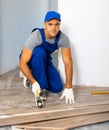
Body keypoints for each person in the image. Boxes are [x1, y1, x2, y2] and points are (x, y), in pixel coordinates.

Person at [19, 11, 75, 104]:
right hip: (29, 60)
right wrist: (34, 83)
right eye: (50, 24)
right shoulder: (36, 36)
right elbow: (22, 63)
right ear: (45, 24)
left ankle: (33, 76)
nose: (54, 28)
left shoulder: (63, 38)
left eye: (57, 24)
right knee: (40, 52)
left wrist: (69, 87)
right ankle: (40, 86)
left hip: (44, 60)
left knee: (57, 87)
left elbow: (68, 62)